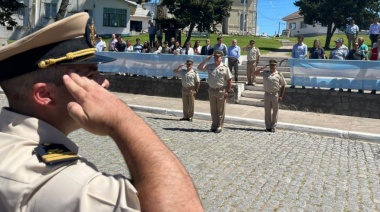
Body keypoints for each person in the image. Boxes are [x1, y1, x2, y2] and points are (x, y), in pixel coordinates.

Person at [0, 12, 203, 211]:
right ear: (45, 95)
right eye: (90, 75)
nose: (104, 82)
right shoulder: (62, 183)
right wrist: (122, 119)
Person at [197, 50, 233, 133]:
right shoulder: (210, 66)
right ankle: (214, 125)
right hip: (212, 90)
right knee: (213, 109)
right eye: (215, 57)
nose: (216, 58)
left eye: (218, 57)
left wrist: (228, 91)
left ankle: (219, 126)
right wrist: (206, 59)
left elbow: (229, 80)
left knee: (220, 109)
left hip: (221, 90)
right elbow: (199, 68)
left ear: (221, 58)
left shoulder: (225, 67)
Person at [254, 59, 286, 133]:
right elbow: (255, 72)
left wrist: (281, 96)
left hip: (275, 94)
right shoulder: (265, 73)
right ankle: (268, 127)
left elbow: (283, 85)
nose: (272, 67)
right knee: (267, 111)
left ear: (276, 66)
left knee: (275, 111)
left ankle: (273, 127)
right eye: (270, 65)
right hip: (267, 94)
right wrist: (263, 67)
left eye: (273, 65)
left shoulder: (279, 74)